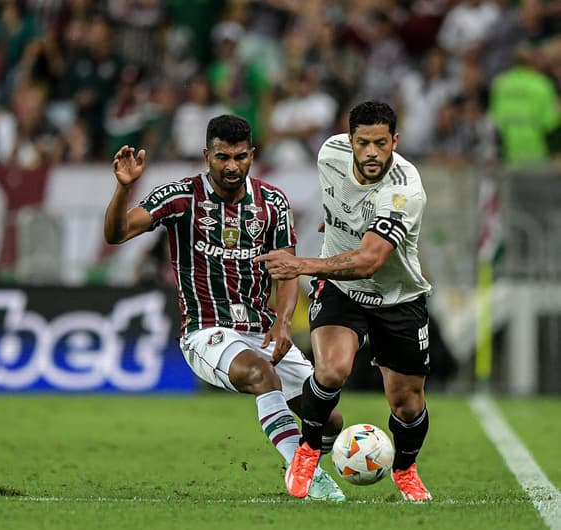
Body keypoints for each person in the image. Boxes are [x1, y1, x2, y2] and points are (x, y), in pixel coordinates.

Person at [103, 114, 346, 501]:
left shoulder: (273, 202)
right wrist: (123, 190)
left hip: (262, 328)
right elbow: (116, 234)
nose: (231, 166)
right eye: (222, 157)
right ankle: (305, 473)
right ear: (206, 156)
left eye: (239, 157)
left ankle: (308, 455)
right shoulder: (181, 197)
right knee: (262, 375)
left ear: (252, 154)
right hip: (205, 330)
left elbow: (286, 270)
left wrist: (283, 324)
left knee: (330, 421)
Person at [255, 101, 433, 502]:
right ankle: (307, 451)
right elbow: (342, 202)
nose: (372, 152)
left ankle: (405, 469)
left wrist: (302, 264)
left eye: (382, 144)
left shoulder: (405, 190)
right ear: (349, 140)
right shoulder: (328, 153)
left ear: (395, 142)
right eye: (364, 142)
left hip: (397, 297)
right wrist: (335, 220)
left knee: (406, 404)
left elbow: (370, 261)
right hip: (341, 289)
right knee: (332, 370)